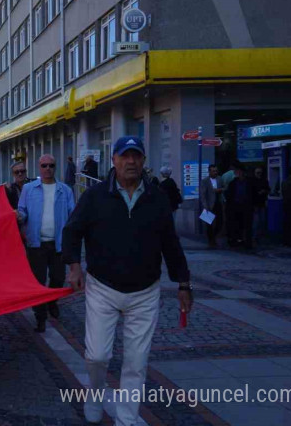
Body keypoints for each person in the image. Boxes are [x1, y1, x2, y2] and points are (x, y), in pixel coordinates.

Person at [63, 137, 191, 426]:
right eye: (125, 156)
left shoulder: (157, 198)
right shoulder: (95, 196)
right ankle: (95, 392)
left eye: (136, 156)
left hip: (145, 292)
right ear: (114, 160)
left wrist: (183, 283)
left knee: (136, 362)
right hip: (102, 288)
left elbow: (171, 244)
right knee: (96, 356)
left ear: (144, 161)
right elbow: (72, 231)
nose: (131, 161)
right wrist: (74, 267)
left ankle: (126, 419)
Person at [17, 155, 75, 332]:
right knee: (38, 282)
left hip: (58, 244)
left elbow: (73, 215)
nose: (48, 168)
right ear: (39, 167)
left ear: (55, 167)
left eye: (51, 165)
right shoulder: (29, 189)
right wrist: (20, 217)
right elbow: (22, 209)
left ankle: (52, 301)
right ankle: (40, 317)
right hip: (36, 244)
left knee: (58, 278)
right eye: (44, 165)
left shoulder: (65, 190)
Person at [225, 163, 255, 249]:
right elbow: (229, 195)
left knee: (247, 225)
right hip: (236, 206)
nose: (236, 173)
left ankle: (247, 242)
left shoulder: (249, 182)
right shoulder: (233, 183)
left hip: (246, 206)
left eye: (237, 171)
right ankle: (237, 240)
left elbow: (253, 194)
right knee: (237, 224)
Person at [199, 165, 225, 248]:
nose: (215, 173)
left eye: (216, 171)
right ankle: (211, 241)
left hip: (218, 203)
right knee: (209, 225)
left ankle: (214, 237)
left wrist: (220, 190)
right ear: (209, 172)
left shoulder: (220, 179)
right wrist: (205, 206)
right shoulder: (205, 181)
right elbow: (202, 194)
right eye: (213, 171)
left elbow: (225, 187)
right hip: (209, 204)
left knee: (220, 222)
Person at [252, 166, 270, 241]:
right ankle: (254, 236)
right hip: (255, 203)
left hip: (262, 203)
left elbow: (268, 189)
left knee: (262, 221)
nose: (259, 174)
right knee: (256, 221)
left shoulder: (264, 181)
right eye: (258, 173)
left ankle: (259, 236)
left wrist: (264, 191)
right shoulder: (252, 181)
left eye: (260, 173)